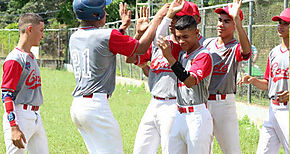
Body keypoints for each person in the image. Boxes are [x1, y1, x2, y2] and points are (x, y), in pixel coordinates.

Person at [69, 0, 169, 153]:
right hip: (96, 107)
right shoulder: (107, 35)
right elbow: (140, 48)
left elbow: (104, 45)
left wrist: (123, 28)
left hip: (78, 107)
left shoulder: (74, 37)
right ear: (95, 14)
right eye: (103, 9)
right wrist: (158, 18)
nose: (106, 13)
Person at [127, 1, 185, 153]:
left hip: (173, 104)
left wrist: (163, 17)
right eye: (171, 17)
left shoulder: (184, 48)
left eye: (177, 18)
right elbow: (131, 58)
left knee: (170, 149)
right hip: (154, 103)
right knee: (141, 149)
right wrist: (139, 34)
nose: (173, 21)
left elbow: (158, 34)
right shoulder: (158, 45)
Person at [157, 3, 214, 153]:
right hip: (180, 114)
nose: (181, 41)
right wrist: (169, 15)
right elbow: (159, 39)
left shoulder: (204, 55)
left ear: (197, 33)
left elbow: (189, 81)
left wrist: (170, 58)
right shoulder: (183, 53)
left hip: (197, 116)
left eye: (185, 37)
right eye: (178, 37)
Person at [202, 0, 252, 153]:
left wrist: (238, 20)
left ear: (235, 25)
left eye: (227, 21)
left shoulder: (235, 47)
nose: (221, 24)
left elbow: (246, 52)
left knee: (231, 150)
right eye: (220, 20)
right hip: (202, 102)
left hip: (223, 104)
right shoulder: (207, 43)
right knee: (201, 148)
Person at [238, 8, 289, 154]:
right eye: (280, 22)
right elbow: (268, 84)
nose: (280, 26)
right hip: (272, 109)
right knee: (263, 151)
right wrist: (253, 80)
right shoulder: (274, 52)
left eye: (285, 23)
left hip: (288, 110)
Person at [1, 13, 49, 154]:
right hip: (20, 116)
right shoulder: (15, 59)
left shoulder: (30, 56)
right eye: (41, 30)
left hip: (35, 116)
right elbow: (6, 95)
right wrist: (13, 126)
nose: (43, 35)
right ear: (29, 29)